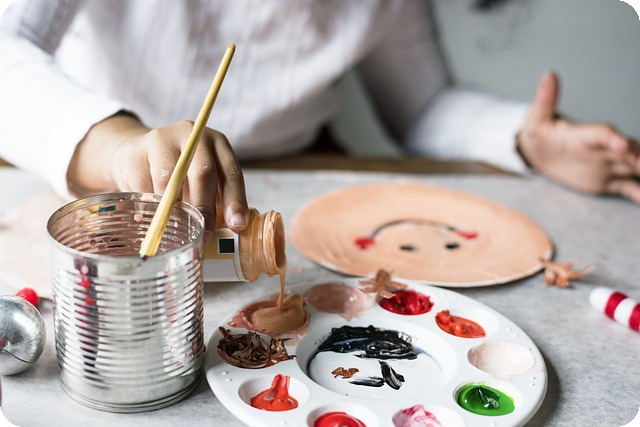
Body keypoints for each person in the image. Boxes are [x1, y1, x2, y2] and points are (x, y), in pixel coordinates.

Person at [1, 0, 638, 239]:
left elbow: (422, 107)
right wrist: (120, 146)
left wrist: (522, 142)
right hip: (110, 173)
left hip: (300, 173)